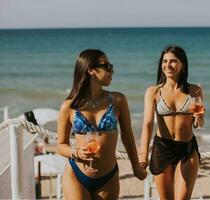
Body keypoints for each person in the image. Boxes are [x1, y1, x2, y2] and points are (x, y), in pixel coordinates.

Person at [57, 49, 147, 200]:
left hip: (108, 177)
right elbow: (60, 145)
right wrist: (77, 153)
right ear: (91, 70)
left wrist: (136, 166)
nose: (111, 70)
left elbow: (128, 137)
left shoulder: (118, 100)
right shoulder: (69, 106)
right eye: (107, 66)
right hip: (77, 175)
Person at [139, 45, 204, 199]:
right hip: (163, 148)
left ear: (183, 65)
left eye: (173, 61)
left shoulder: (195, 91)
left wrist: (199, 120)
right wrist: (143, 155)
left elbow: (199, 124)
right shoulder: (153, 92)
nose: (168, 65)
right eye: (164, 61)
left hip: (187, 148)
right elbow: (147, 125)